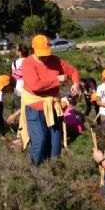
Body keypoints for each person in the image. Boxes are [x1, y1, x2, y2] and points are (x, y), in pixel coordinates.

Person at [20, 34, 80, 165]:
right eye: (41, 53)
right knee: (40, 140)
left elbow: (73, 72)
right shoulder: (28, 63)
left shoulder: (55, 60)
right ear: (34, 49)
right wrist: (57, 80)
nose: (45, 56)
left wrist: (75, 83)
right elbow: (35, 85)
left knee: (55, 142)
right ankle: (36, 170)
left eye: (46, 52)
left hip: (53, 107)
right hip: (35, 107)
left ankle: (53, 168)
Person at [11, 44, 28, 111]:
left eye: (16, 50)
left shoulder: (15, 63)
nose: (15, 51)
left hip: (19, 89)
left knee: (20, 110)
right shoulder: (31, 61)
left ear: (20, 52)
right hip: (30, 89)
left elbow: (14, 77)